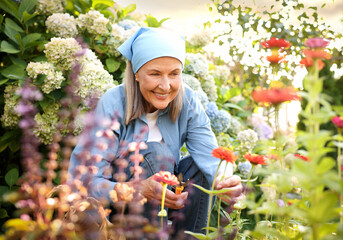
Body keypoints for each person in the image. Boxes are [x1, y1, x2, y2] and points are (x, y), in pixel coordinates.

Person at [68, 27, 244, 236]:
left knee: (203, 168)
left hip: (171, 199)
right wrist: (137, 189)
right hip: (119, 205)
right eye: (155, 74)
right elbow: (85, 181)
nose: (165, 85)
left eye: (174, 74)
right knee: (156, 154)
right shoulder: (114, 103)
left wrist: (225, 181)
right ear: (136, 73)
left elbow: (210, 156)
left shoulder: (187, 100)